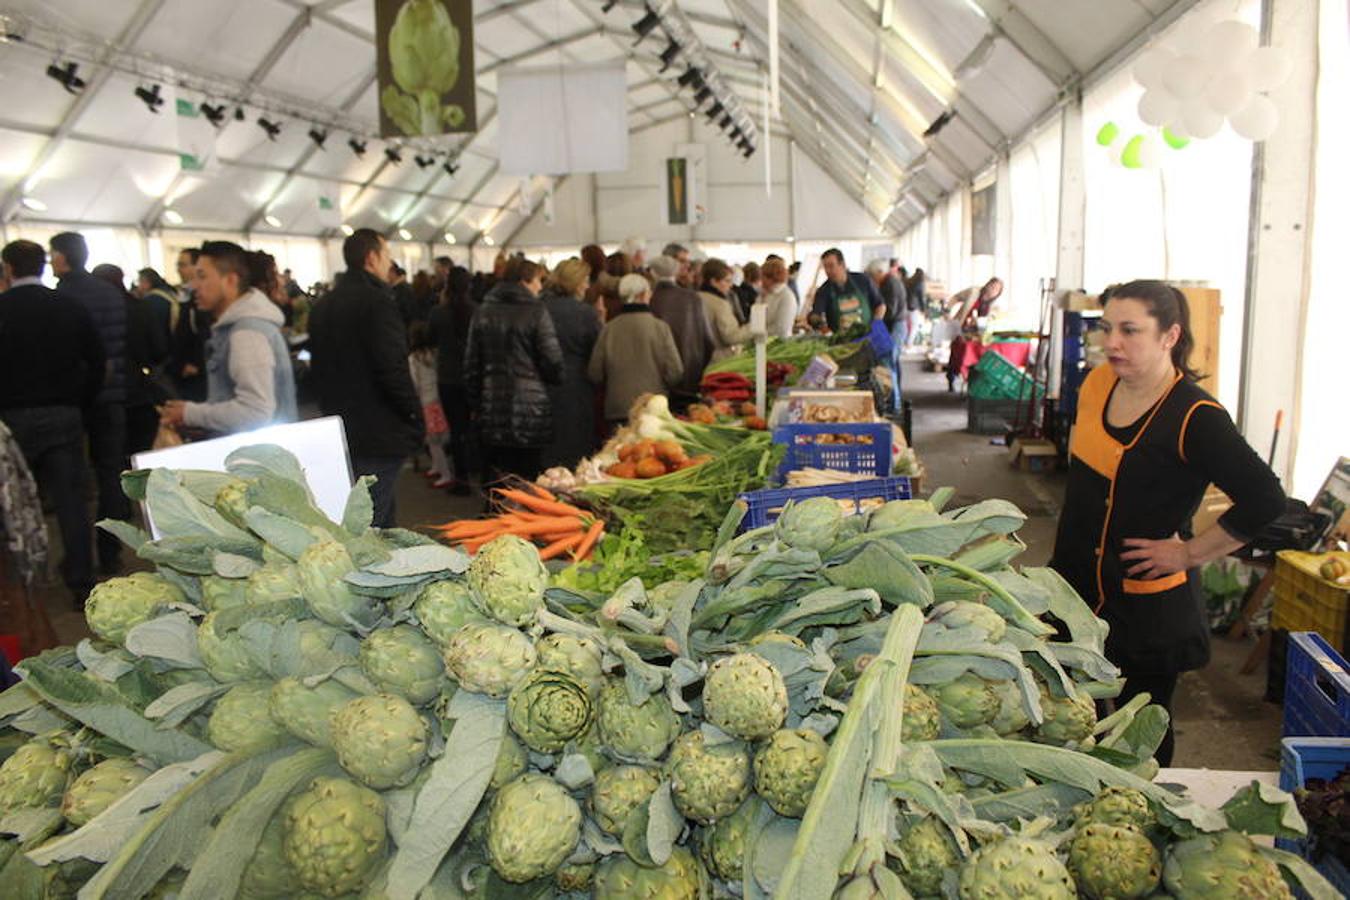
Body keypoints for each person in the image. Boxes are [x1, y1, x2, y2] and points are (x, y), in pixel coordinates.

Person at [1049, 280, 1285, 767]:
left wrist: (1189, 552)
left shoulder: (1195, 416)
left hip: (1144, 606)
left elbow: (1264, 498)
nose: (1112, 342)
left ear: (1169, 335)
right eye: (1107, 328)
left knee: (1143, 727)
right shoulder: (1097, 385)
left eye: (1130, 330)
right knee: (1073, 719)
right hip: (1072, 591)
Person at [0, 240, 105, 606]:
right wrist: (82, 402)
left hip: (11, 420)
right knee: (71, 503)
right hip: (64, 414)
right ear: (43, 266)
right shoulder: (67, 306)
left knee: (12, 505)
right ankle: (81, 583)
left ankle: (20, 588)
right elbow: (97, 359)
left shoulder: (3, 309)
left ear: (8, 268)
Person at [309, 230, 423, 527]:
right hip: (379, 429)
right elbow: (392, 368)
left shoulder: (323, 306)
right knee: (370, 522)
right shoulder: (378, 303)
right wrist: (413, 414)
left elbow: (317, 371)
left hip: (341, 427)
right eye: (387, 255)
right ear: (371, 258)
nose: (390, 263)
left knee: (366, 508)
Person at [49, 231, 130, 576]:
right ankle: (110, 551)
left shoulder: (60, 298)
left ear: (63, 257)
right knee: (111, 473)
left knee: (73, 483)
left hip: (75, 400)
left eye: (52, 255)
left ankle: (78, 559)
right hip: (113, 396)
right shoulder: (112, 294)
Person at [160, 242, 296, 442]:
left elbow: (255, 411)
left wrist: (190, 413)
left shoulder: (247, 332)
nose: (193, 285)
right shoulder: (236, 327)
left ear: (231, 280)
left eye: (202, 276)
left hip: (260, 463)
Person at [463, 258, 563, 484]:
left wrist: (476, 405)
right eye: (538, 280)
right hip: (532, 410)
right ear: (524, 280)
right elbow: (553, 362)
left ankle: (495, 516)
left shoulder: (482, 311)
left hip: (491, 408)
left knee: (496, 480)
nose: (540, 286)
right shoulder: (537, 312)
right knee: (528, 482)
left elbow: (471, 366)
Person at [588, 274, 683, 431]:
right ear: (642, 295)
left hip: (617, 408)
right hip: (652, 407)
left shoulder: (609, 329)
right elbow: (675, 372)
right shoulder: (660, 328)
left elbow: (595, 373)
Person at [94, 264, 168, 456]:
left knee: (111, 459)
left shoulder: (94, 311)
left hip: (105, 398)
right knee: (143, 454)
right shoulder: (141, 307)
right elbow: (159, 349)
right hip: (142, 393)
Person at [540, 258, 602, 470]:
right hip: (576, 386)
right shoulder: (586, 313)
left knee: (548, 448)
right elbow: (597, 351)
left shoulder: (539, 308)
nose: (587, 285)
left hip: (543, 384)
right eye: (585, 280)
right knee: (575, 448)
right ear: (575, 282)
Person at [428, 266, 476, 495]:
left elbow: (430, 339)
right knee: (471, 427)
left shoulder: (438, 313)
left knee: (456, 430)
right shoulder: (476, 312)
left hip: (447, 378)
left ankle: (462, 477)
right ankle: (475, 468)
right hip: (471, 377)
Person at [649, 254, 714, 407]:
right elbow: (709, 342)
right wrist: (698, 370)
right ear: (676, 272)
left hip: (658, 381)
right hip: (690, 377)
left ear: (652, 273)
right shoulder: (693, 298)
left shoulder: (650, 300)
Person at [408, 322, 451, 488]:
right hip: (438, 398)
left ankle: (445, 473)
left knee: (433, 441)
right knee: (439, 438)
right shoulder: (435, 354)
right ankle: (437, 467)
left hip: (425, 402)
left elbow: (414, 382)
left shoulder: (414, 358)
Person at [867, 258, 909, 411]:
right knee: (893, 364)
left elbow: (889, 309)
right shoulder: (889, 282)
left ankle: (894, 405)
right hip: (896, 325)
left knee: (888, 364)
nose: (872, 279)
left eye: (872, 275)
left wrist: (874, 317)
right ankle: (896, 400)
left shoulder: (890, 284)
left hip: (896, 327)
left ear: (879, 272)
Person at [811, 248, 883, 334]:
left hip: (867, 336)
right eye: (825, 267)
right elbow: (816, 315)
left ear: (842, 264)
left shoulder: (862, 280)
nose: (828, 271)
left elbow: (880, 305)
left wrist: (876, 325)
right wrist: (815, 320)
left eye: (831, 266)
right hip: (842, 342)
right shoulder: (823, 291)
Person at [698, 258, 755, 363]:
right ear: (713, 281)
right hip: (719, 360)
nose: (731, 285)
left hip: (699, 358)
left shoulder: (694, 297)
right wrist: (754, 326)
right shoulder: (719, 304)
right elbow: (731, 337)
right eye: (727, 281)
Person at [135, 267, 178, 348]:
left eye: (139, 282)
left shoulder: (150, 301)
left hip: (165, 346)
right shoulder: (170, 292)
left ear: (146, 282)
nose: (138, 287)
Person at [760, 257, 797, 339]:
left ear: (771, 278)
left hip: (779, 342)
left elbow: (782, 328)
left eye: (762, 276)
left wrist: (757, 332)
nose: (761, 280)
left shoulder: (787, 297)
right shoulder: (766, 293)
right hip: (764, 340)